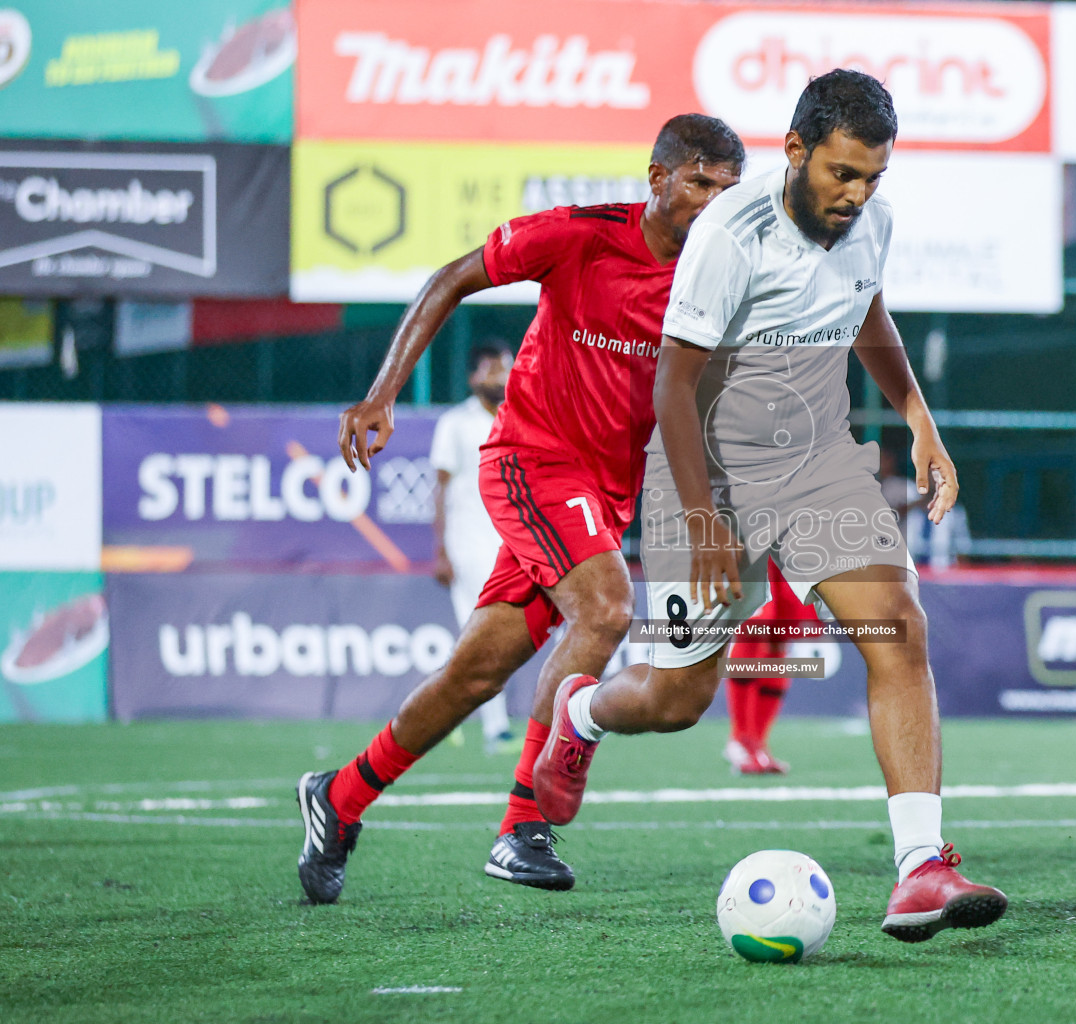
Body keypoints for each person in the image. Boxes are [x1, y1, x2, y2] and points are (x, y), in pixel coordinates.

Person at [530, 70, 1007, 943]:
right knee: (678, 700)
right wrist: (706, 516)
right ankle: (583, 712)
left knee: (898, 628)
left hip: (819, 462)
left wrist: (920, 422)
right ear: (794, 152)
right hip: (704, 473)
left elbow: (870, 318)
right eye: (841, 175)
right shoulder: (728, 232)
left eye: (873, 177)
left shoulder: (873, 224)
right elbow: (673, 383)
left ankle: (920, 869)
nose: (857, 195)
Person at [296, 115, 744, 904]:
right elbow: (449, 279)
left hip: (603, 497)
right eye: (700, 182)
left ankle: (339, 799)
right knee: (606, 610)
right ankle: (523, 825)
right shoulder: (577, 238)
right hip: (530, 463)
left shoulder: (719, 279)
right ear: (658, 179)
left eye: (727, 189)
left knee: (476, 673)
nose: (713, 201)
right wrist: (381, 393)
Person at [429, 342, 517, 754]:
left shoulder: (521, 416)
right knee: (485, 638)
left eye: (506, 368)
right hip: (467, 544)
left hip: (510, 543)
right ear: (472, 377)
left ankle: (434, 708)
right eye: (491, 369)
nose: (500, 376)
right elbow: (440, 488)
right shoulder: (455, 423)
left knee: (478, 638)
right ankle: (495, 729)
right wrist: (441, 550)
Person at [722, 561, 821, 775]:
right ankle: (741, 740)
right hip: (756, 541)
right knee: (752, 628)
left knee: (779, 637)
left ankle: (757, 743)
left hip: (793, 548)